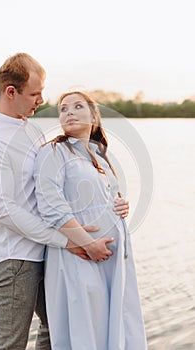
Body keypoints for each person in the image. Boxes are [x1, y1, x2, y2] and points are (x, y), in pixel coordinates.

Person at [0, 54, 129, 350]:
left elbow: (58, 185)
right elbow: (3, 211)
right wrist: (67, 241)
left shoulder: (29, 129)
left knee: (56, 331)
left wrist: (114, 205)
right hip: (16, 258)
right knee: (10, 345)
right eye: (35, 93)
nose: (42, 100)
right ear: (11, 92)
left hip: (49, 252)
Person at [34, 91, 148, 350]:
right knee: (85, 325)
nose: (69, 112)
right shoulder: (54, 151)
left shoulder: (99, 154)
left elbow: (106, 195)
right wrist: (88, 244)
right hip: (79, 255)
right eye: (63, 109)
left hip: (111, 258)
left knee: (116, 324)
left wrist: (121, 204)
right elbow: (51, 207)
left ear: (94, 116)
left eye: (77, 106)